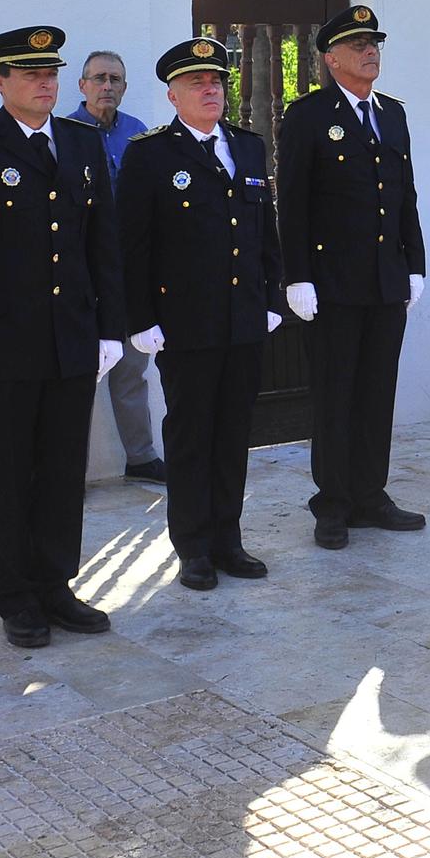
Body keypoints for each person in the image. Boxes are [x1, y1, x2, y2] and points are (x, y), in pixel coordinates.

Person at [0, 25, 125, 649]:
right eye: (29, 73)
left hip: (70, 339)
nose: (45, 83)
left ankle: (56, 584)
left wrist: (109, 328)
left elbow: (103, 244)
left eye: (52, 73)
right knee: (10, 474)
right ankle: (15, 596)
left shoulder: (80, 142)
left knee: (64, 470)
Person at [117, 37, 283, 590]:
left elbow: (265, 231)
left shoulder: (248, 146)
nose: (210, 88)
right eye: (196, 82)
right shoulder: (152, 154)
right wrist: (140, 319)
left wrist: (273, 298)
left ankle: (228, 540)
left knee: (234, 433)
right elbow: (133, 245)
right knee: (191, 435)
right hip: (185, 324)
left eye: (216, 81)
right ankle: (192, 547)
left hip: (242, 320)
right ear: (172, 95)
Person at [277, 5, 428, 549]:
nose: (371, 51)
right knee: (336, 394)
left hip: (386, 279)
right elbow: (290, 203)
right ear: (331, 58)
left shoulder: (392, 114)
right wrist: (297, 276)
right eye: (359, 44)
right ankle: (333, 502)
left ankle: (371, 494)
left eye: (375, 43)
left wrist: (416, 263)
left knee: (376, 392)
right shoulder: (308, 116)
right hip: (332, 282)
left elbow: (405, 194)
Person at [67, 49, 163, 484]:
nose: (107, 86)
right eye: (99, 78)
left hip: (127, 271)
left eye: (116, 80)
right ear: (83, 85)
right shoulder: (64, 133)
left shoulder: (139, 135)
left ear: (124, 88)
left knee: (131, 371)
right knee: (79, 374)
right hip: (82, 273)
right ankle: (70, 473)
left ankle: (141, 458)